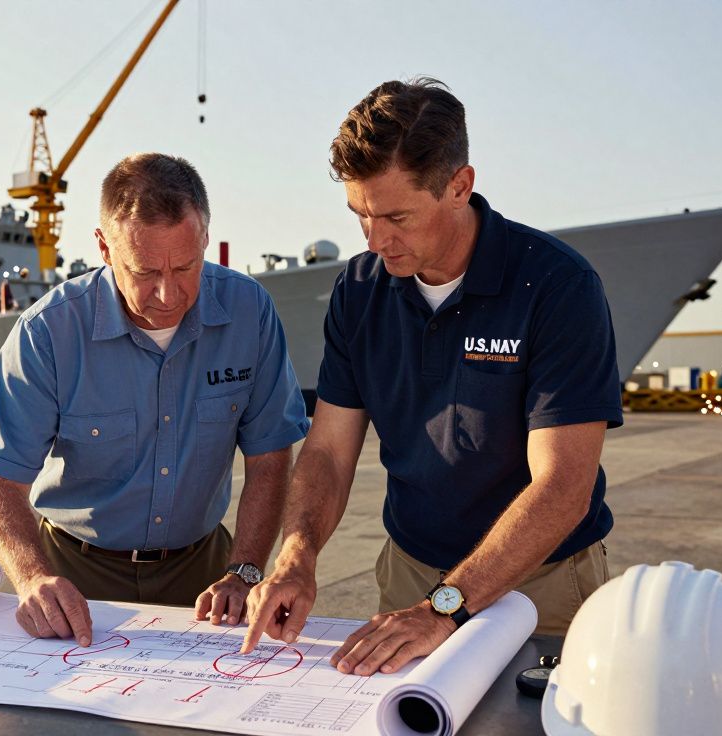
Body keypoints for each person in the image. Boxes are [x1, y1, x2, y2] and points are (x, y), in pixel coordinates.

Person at [243, 79, 623, 677]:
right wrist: (297, 553)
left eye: (397, 217)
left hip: (540, 582)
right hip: (409, 575)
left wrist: (444, 607)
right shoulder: (359, 289)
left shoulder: (556, 287)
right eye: (361, 215)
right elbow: (329, 450)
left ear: (459, 186)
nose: (376, 240)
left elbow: (564, 488)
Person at [0, 153, 309, 646]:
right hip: (73, 572)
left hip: (209, 573)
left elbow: (270, 457)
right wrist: (32, 578)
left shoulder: (250, 312)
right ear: (104, 248)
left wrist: (245, 571)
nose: (168, 294)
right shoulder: (48, 333)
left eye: (185, 267)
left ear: (205, 238)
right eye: (145, 272)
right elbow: (0, 481)